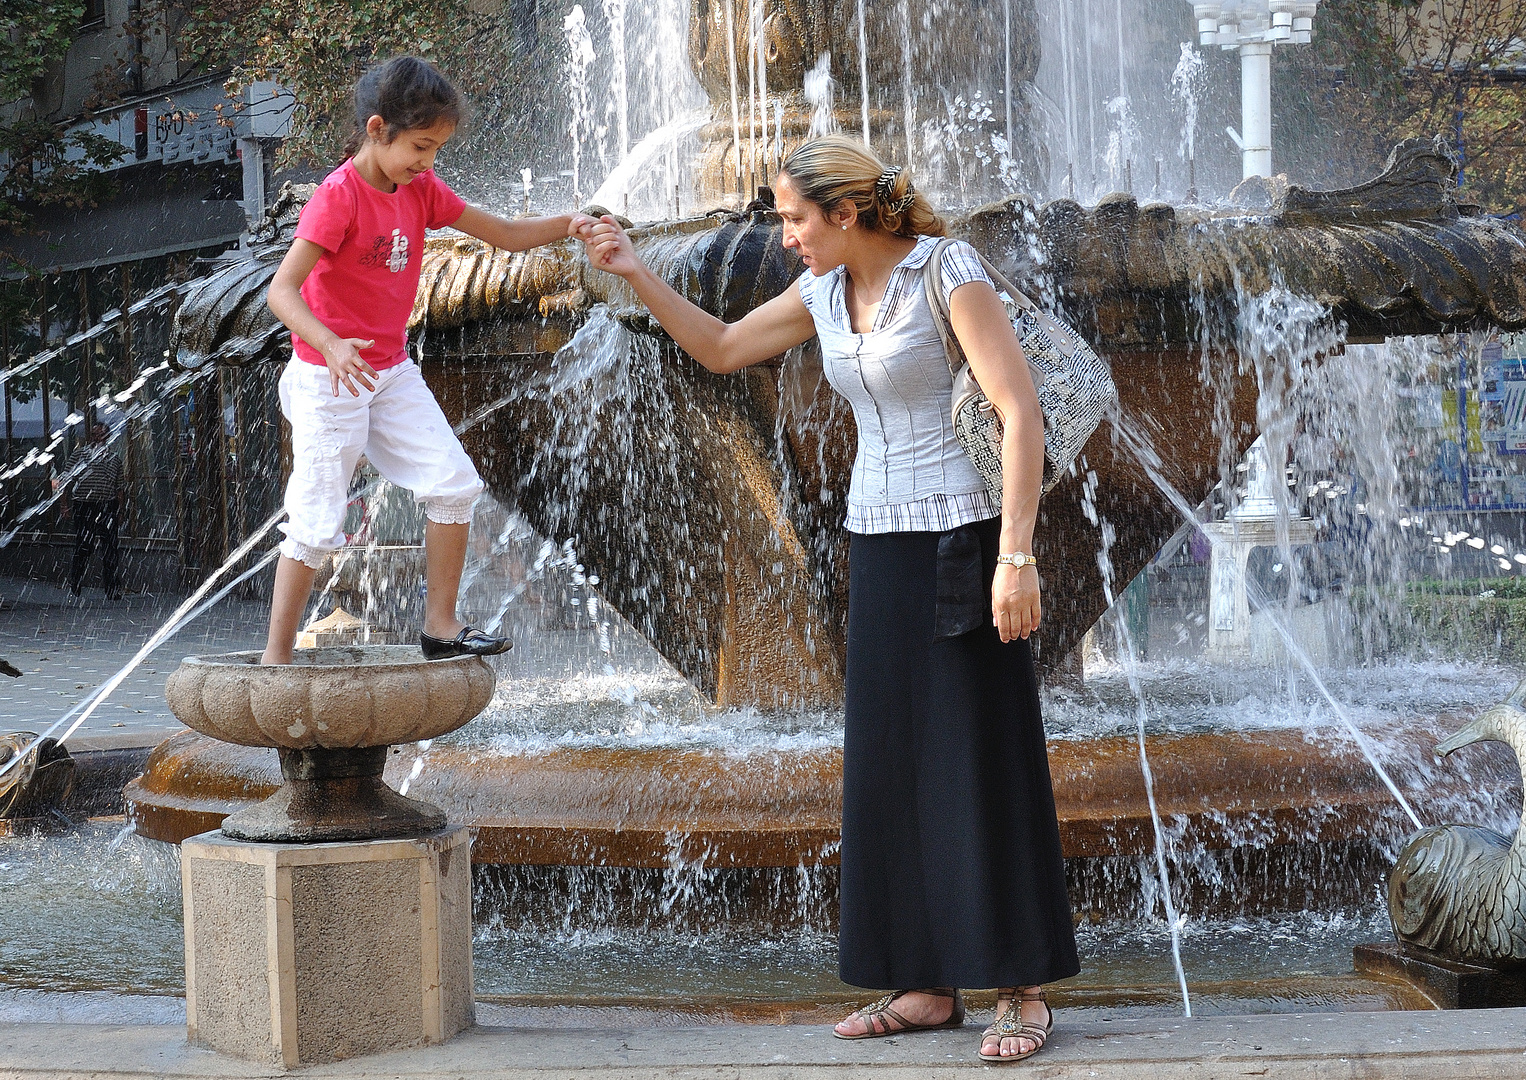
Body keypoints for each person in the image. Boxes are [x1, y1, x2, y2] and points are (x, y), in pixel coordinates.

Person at [585, 135, 1078, 1063]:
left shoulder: (946, 270)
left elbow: (1020, 411)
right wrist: (634, 271)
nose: (785, 236)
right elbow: (725, 348)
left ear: (847, 215)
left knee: (984, 751)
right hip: (878, 544)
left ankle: (1023, 987)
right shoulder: (820, 293)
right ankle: (926, 984)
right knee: (890, 761)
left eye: (796, 217)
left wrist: (1016, 559)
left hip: (965, 540)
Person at [261, 56, 593, 665]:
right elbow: (281, 290)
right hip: (327, 377)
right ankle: (274, 660)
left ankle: (441, 628)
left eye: (437, 148)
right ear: (377, 128)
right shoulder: (338, 197)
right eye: (419, 146)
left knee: (454, 484)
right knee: (313, 523)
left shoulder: (421, 190)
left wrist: (571, 224)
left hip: (388, 372)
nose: (427, 161)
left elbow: (505, 234)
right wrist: (331, 343)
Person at [59, 421, 123, 601]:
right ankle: (76, 581)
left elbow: (119, 487)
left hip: (106, 504)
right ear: (90, 437)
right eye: (95, 435)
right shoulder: (80, 454)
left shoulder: (114, 458)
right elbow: (64, 480)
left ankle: (112, 588)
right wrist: (64, 505)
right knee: (83, 545)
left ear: (108, 436)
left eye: (101, 435)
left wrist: (120, 510)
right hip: (84, 504)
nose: (98, 439)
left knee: (110, 547)